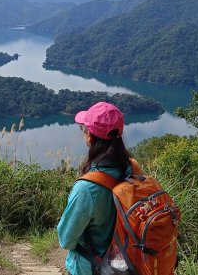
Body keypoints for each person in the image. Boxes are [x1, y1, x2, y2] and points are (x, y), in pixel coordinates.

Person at [57, 102, 132, 275]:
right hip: (129, 264)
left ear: (89, 136)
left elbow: (66, 240)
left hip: (94, 268)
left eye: (83, 129)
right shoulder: (132, 170)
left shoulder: (87, 188)